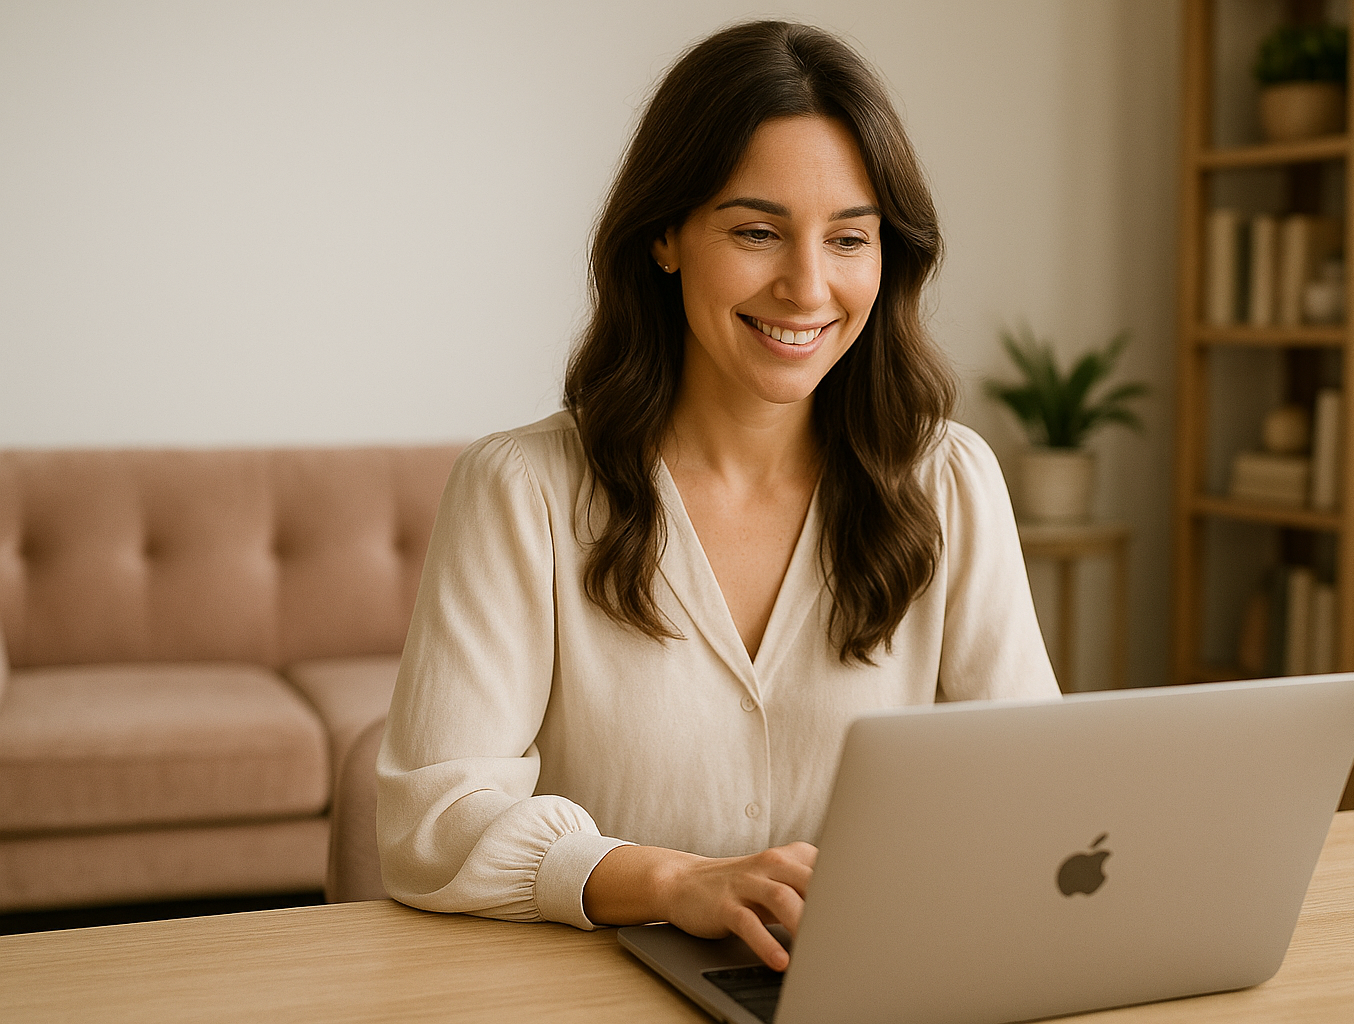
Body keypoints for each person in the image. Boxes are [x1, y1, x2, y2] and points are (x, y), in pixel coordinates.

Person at [376, 19, 1058, 973]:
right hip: (594, 986)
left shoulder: (949, 481)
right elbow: (433, 820)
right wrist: (670, 882)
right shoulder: (520, 490)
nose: (807, 287)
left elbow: (1034, 788)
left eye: (849, 238)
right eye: (755, 232)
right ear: (664, 235)